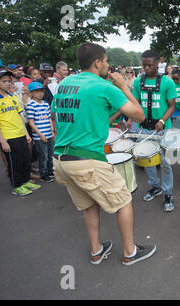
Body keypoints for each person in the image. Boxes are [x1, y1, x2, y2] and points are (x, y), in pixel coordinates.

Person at [51, 42, 155, 266]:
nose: (108, 65)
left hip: (60, 160)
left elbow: (67, 114)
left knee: (90, 204)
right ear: (97, 62)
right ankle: (130, 252)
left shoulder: (65, 84)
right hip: (86, 160)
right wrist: (124, 87)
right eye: (106, 61)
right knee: (124, 201)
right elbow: (139, 116)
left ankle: (97, 251)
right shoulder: (103, 86)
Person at [130, 49, 177, 212]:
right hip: (144, 128)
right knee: (147, 160)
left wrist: (163, 120)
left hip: (163, 130)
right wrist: (130, 118)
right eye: (144, 65)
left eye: (150, 65)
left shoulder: (167, 82)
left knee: (165, 163)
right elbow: (135, 103)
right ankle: (155, 187)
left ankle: (168, 193)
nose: (147, 68)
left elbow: (172, 106)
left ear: (157, 64)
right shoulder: (138, 82)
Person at [0, 69, 41, 196]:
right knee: (14, 162)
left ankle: (25, 181)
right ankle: (17, 185)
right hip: (8, 136)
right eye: (4, 81)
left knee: (25, 159)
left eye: (9, 81)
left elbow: (20, 116)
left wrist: (26, 133)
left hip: (20, 133)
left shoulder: (12, 97)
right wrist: (3, 141)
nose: (8, 84)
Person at [26, 82, 55, 183]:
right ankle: (43, 174)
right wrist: (40, 134)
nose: (40, 93)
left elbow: (49, 118)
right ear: (31, 93)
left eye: (41, 91)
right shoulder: (30, 105)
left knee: (50, 154)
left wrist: (52, 130)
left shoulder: (46, 104)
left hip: (48, 133)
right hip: (40, 136)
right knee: (43, 156)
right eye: (37, 91)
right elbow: (31, 122)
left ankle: (50, 171)